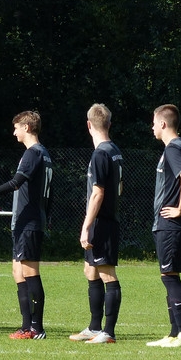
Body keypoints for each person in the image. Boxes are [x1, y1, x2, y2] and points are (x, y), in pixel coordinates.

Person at [0, 110, 53, 340]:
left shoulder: (33, 153)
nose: (14, 133)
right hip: (26, 221)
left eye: (16, 128)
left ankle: (37, 328)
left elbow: (16, 183)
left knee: (30, 273)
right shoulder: (43, 154)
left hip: (30, 221)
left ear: (26, 127)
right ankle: (26, 326)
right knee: (18, 272)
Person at [70, 104, 123, 345]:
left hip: (103, 222)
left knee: (107, 274)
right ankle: (94, 327)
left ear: (89, 125)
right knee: (90, 270)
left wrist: (86, 225)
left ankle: (108, 332)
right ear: (109, 124)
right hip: (106, 219)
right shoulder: (114, 151)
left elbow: (98, 193)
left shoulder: (101, 153)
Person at [146, 104, 181, 348]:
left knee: (170, 277)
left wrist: (179, 208)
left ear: (163, 124)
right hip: (170, 224)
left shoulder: (173, 148)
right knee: (169, 275)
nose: (152, 127)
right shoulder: (180, 146)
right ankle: (174, 332)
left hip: (171, 223)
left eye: (154, 123)